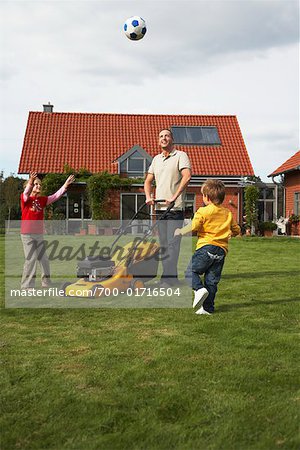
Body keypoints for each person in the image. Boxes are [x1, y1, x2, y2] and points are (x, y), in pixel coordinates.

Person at [175, 179, 240, 314]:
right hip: (221, 252)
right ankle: (207, 309)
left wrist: (180, 231)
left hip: (206, 248)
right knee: (211, 281)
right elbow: (236, 229)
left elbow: (194, 226)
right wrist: (232, 234)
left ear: (207, 197)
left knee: (189, 272)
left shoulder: (203, 211)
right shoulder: (227, 213)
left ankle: (198, 289)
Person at [144, 128, 191, 287]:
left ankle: (169, 279)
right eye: (161, 136)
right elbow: (148, 181)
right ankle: (169, 278)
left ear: (172, 139)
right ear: (158, 141)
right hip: (160, 209)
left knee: (172, 244)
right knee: (163, 244)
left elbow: (187, 176)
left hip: (175, 209)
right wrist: (148, 196)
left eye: (166, 136)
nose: (163, 138)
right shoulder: (156, 159)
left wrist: (174, 196)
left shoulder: (180, 156)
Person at [20, 171, 75, 289]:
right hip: (27, 234)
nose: (38, 186)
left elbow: (55, 196)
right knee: (31, 258)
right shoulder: (25, 200)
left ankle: (46, 282)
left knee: (44, 259)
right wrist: (30, 181)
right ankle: (27, 286)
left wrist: (65, 184)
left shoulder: (43, 200)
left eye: (39, 184)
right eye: (36, 184)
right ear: (29, 186)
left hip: (38, 234)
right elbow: (26, 193)